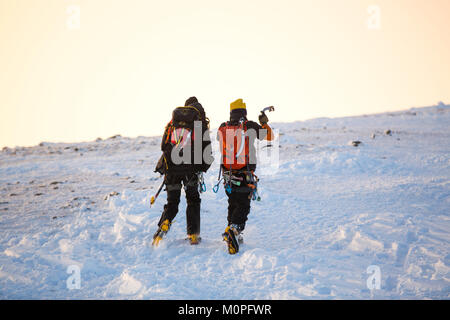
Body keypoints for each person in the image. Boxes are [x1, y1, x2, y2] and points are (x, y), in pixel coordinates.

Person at [152, 96, 213, 246]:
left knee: (172, 202)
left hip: (171, 168)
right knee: (193, 200)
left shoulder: (172, 124)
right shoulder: (199, 124)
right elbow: (206, 149)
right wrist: (203, 167)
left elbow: (163, 146)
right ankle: (193, 235)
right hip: (190, 170)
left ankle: (164, 224)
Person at [217, 98, 273, 254]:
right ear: (244, 112)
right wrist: (264, 123)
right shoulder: (250, 126)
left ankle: (232, 230)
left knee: (233, 203)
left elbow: (219, 140)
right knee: (243, 205)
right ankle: (235, 230)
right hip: (245, 173)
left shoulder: (222, 127)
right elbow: (269, 137)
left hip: (228, 174)